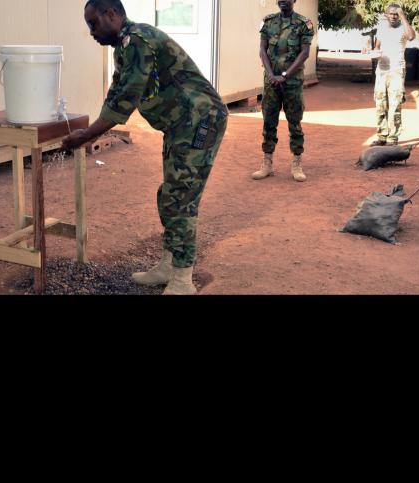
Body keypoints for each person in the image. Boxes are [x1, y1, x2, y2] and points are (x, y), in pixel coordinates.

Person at [64, 0, 227, 295]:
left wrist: (87, 135)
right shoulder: (124, 47)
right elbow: (115, 92)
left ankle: (183, 280)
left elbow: (126, 98)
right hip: (180, 125)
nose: (91, 32)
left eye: (93, 23)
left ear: (111, 14)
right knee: (168, 194)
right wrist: (89, 132)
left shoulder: (138, 40)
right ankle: (169, 265)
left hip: (200, 120)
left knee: (180, 198)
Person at [253, 0, 316, 182]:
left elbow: (304, 53)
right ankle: (267, 163)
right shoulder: (268, 22)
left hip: (292, 83)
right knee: (268, 122)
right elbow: (262, 50)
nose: (282, 1)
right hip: (271, 83)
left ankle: (297, 163)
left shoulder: (303, 24)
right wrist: (271, 75)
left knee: (294, 123)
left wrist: (285, 75)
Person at [368, 4, 414, 146]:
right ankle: (382, 136)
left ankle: (392, 138)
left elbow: (411, 36)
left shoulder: (404, 27)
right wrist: (374, 53)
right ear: (386, 15)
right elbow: (377, 47)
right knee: (380, 103)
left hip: (396, 69)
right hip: (382, 70)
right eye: (391, 14)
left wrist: (403, 16)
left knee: (395, 104)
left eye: (396, 14)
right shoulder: (382, 28)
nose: (393, 16)